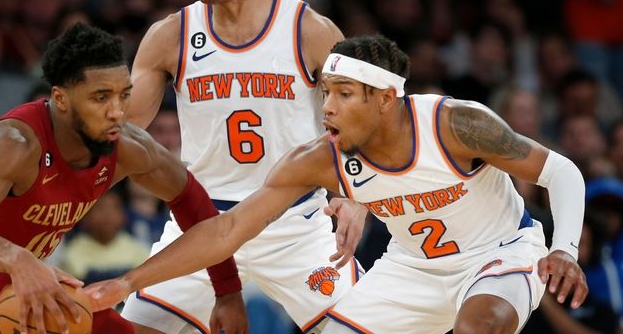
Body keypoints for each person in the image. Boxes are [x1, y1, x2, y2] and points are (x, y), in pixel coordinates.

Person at [91, 34, 589, 334]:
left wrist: (564, 249)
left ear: (385, 100)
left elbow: (560, 171)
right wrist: (131, 281)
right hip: (411, 269)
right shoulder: (320, 160)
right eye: (325, 92)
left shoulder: (454, 124)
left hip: (498, 254)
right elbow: (224, 232)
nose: (326, 107)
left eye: (344, 94)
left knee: (479, 327)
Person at [0, 23, 244, 334]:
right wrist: (18, 260)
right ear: (60, 98)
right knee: (55, 321)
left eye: (124, 95)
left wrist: (227, 291)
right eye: (100, 98)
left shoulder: (126, 146)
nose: (117, 112)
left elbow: (193, 203)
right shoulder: (14, 143)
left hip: (12, 275)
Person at [120, 0, 366, 333]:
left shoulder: (307, 29)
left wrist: (354, 195)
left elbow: (363, 120)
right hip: (201, 224)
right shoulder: (169, 36)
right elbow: (121, 130)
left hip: (294, 221)